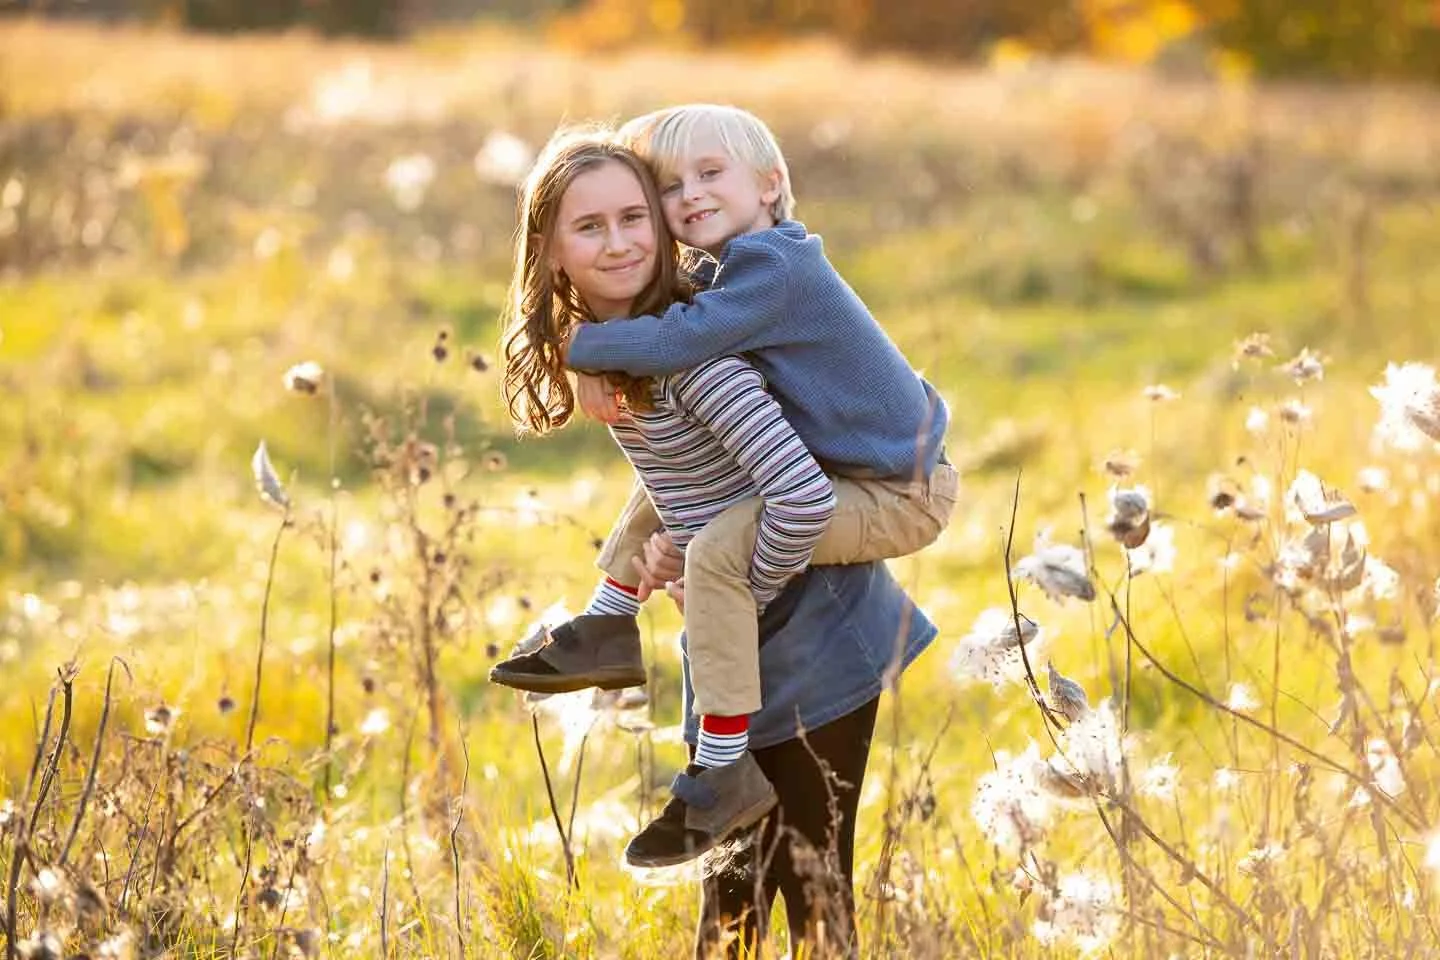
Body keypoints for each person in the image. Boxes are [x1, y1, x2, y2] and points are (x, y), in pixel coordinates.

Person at [493, 104, 959, 800]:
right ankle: (609, 616)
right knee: (661, 492)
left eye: (710, 174)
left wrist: (577, 349)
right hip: (850, 471)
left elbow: (681, 343)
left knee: (716, 549)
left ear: (770, 184)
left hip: (900, 488)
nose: (691, 197)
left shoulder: (774, 270)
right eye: (671, 188)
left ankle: (720, 766)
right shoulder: (727, 276)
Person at [492, 129, 836, 862]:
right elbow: (689, 469)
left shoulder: (695, 360)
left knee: (812, 893)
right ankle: (611, 623)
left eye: (633, 218)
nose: (618, 243)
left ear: (662, 223)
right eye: (589, 226)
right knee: (730, 904)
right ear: (549, 248)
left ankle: (711, 756)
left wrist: (713, 565)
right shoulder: (624, 343)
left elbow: (798, 495)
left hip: (817, 632)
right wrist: (578, 349)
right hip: (725, 646)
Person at [632, 531, 934, 959]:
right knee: (729, 892)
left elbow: (820, 493)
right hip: (721, 653)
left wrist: (722, 577)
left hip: (821, 630)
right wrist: (668, 541)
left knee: (812, 881)